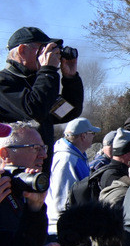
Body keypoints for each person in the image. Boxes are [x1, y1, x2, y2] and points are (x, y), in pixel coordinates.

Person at [0, 26, 83, 164]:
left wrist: (70, 78)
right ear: (22, 50)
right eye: (43, 49)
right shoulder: (4, 83)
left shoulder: (36, 83)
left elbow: (68, 111)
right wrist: (47, 71)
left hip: (38, 175)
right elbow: (35, 109)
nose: (48, 54)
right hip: (10, 175)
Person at [45, 116, 100, 232]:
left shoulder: (76, 156)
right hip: (63, 227)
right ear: (83, 136)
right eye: (92, 133)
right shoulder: (67, 160)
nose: (94, 137)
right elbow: (62, 197)